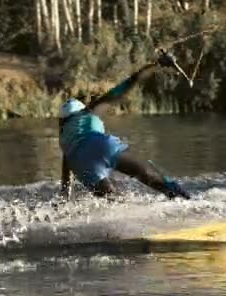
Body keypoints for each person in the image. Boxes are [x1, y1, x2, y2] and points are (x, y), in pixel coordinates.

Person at [58, 49, 191, 201]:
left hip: (80, 164)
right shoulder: (87, 112)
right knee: (149, 176)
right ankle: (185, 199)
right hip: (100, 146)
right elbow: (125, 86)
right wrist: (156, 65)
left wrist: (64, 199)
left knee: (115, 202)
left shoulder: (64, 139)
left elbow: (66, 180)